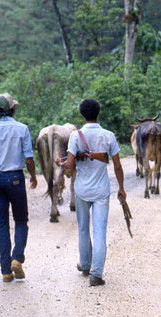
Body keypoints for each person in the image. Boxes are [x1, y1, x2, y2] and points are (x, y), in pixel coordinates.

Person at [56, 98, 126, 286]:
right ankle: (96, 273)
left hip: (81, 189)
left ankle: (85, 264)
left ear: (82, 114)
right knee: (100, 231)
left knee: (83, 228)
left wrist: (60, 163)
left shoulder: (75, 136)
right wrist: (121, 188)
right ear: (98, 112)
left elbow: (69, 164)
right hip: (101, 190)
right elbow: (118, 166)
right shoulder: (109, 135)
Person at [0, 93, 38, 282]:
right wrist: (33, 176)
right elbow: (28, 158)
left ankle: (5, 272)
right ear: (12, 109)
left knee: (1, 224)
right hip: (16, 179)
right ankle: (17, 259)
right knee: (20, 220)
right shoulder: (22, 128)